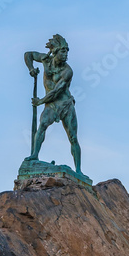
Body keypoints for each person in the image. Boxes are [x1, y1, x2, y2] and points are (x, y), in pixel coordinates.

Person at [24, 34, 82, 174]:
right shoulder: (45, 60)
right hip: (51, 105)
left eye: (67, 51)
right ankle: (34, 155)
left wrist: (40, 102)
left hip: (65, 104)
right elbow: (28, 55)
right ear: (55, 52)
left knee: (73, 137)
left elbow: (56, 91)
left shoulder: (67, 71)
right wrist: (31, 69)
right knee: (42, 126)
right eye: (63, 51)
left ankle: (78, 170)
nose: (66, 54)